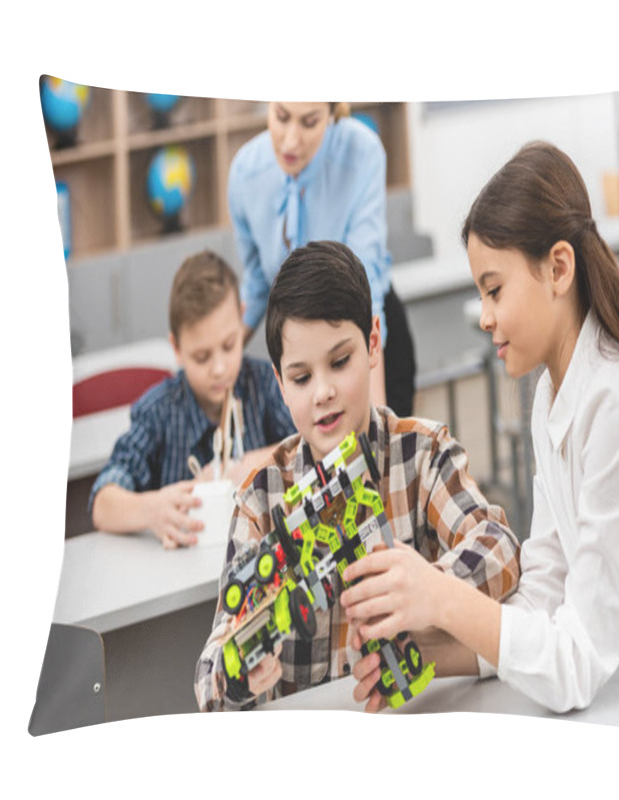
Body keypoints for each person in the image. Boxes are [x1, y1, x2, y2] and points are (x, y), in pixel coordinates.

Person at [340, 141, 619, 713]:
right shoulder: (551, 393)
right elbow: (547, 589)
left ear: (558, 268)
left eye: (494, 289)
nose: (483, 315)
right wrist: (431, 651)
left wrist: (443, 597)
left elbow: (576, 663)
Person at [194, 240, 520, 711]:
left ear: (372, 344)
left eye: (340, 362)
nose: (324, 392)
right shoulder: (262, 498)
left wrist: (426, 590)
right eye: (302, 378)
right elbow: (209, 672)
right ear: (280, 386)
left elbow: (501, 545)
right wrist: (236, 673)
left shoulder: (421, 454)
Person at [89, 250, 295, 549]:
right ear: (176, 348)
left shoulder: (264, 384)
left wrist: (254, 462)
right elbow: (101, 502)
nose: (220, 368)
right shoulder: (158, 412)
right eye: (201, 357)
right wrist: (149, 510)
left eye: (229, 345)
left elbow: (314, 446)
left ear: (241, 319)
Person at [228, 101, 417, 417]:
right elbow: (259, 282)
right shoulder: (246, 172)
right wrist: (218, 353)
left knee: (377, 457)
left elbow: (367, 287)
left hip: (366, 334)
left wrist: (379, 425)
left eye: (309, 122)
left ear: (332, 114)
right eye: (281, 117)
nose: (290, 141)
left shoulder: (362, 153)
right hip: (300, 350)